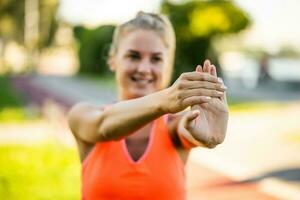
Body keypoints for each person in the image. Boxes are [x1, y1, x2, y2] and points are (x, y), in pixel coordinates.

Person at [68, 11, 229, 200]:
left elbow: (187, 128)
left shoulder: (174, 127)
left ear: (168, 66)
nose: (144, 69)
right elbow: (104, 126)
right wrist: (165, 99)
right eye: (133, 56)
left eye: (156, 59)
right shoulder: (82, 115)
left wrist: (207, 136)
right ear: (113, 60)